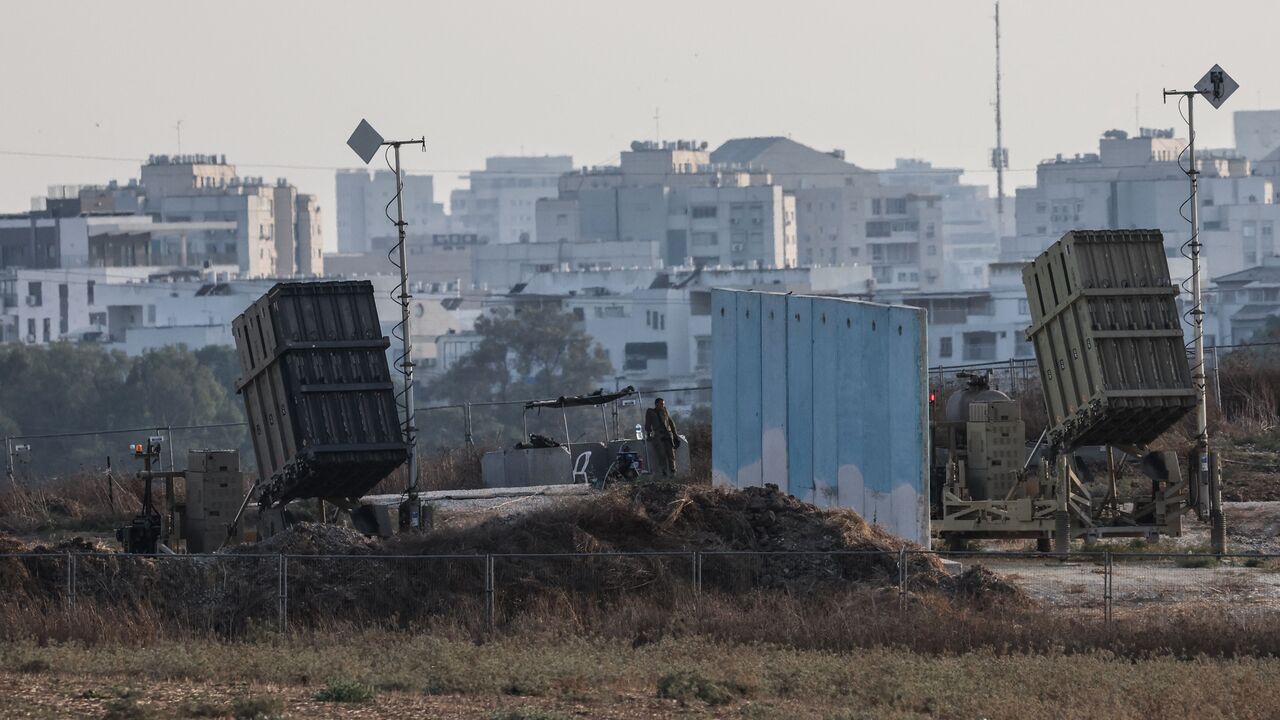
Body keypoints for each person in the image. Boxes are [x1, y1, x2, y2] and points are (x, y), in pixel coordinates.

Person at [644, 397, 680, 477]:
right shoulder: (651, 412)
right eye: (661, 404)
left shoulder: (665, 411)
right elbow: (648, 424)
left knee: (671, 454)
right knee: (661, 454)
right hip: (659, 435)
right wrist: (648, 435)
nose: (663, 405)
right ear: (656, 404)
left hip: (668, 434)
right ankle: (664, 472)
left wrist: (675, 436)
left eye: (663, 404)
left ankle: (673, 472)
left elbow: (671, 423)